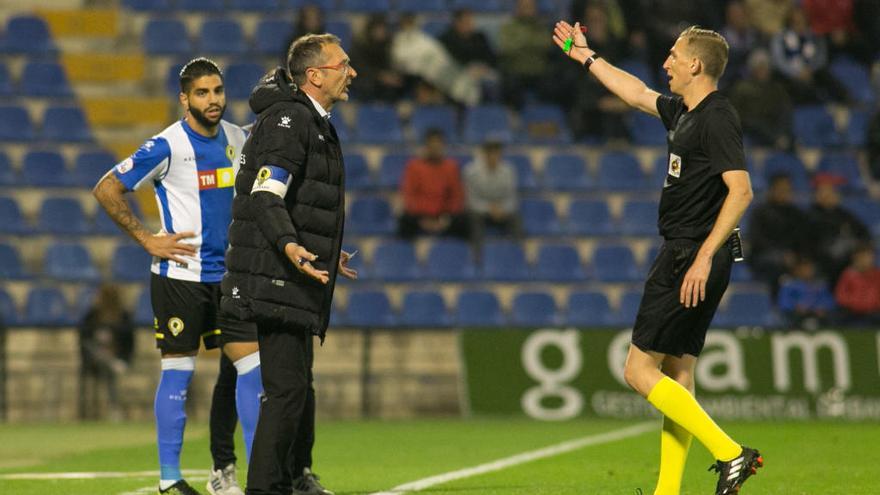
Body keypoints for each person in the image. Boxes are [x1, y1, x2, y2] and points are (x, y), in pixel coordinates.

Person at [554, 21, 762, 495]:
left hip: (690, 255)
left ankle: (730, 453)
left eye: (673, 55)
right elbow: (635, 92)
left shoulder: (716, 116)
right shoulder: (685, 111)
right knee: (678, 375)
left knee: (637, 371)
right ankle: (668, 490)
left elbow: (741, 190)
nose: (665, 62)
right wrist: (586, 57)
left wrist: (703, 256)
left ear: (695, 63)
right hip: (696, 254)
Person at [92, 58, 257, 495]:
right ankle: (170, 479)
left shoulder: (239, 139)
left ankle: (261, 478)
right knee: (179, 373)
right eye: (202, 93)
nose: (213, 100)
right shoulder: (166, 145)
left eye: (218, 91)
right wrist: (146, 238)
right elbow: (107, 187)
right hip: (179, 278)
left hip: (230, 278)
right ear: (184, 99)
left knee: (252, 369)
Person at [219, 33, 358, 495]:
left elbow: (299, 201)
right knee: (286, 392)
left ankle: (277, 484)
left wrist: (320, 246)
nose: (351, 73)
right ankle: (266, 488)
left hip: (288, 272)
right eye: (343, 65)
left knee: (293, 389)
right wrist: (288, 244)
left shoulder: (311, 120)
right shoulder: (289, 118)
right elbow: (266, 192)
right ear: (315, 75)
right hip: (275, 276)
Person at [746, 174, 812, 299]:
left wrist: (802, 259)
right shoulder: (760, 212)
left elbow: (803, 239)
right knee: (777, 267)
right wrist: (781, 255)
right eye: (781, 189)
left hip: (792, 257)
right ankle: (779, 305)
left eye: (787, 190)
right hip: (763, 256)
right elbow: (756, 239)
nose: (784, 193)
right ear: (772, 190)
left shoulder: (796, 214)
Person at [398, 128, 470, 240]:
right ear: (426, 146)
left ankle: (458, 255)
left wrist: (444, 219)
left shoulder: (451, 167)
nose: (435, 148)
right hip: (420, 215)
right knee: (404, 220)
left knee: (464, 221)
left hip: (444, 215)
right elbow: (409, 195)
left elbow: (457, 196)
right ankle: (405, 255)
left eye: (438, 144)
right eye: (432, 145)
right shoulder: (414, 166)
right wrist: (424, 219)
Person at [78, 284, 135, 421]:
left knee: (110, 370)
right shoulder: (92, 315)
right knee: (98, 355)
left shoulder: (123, 316)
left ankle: (114, 408)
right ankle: (112, 407)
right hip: (94, 361)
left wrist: (124, 360)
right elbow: (83, 339)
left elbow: (130, 343)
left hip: (117, 360)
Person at [806, 174, 871, 284]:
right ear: (816, 195)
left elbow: (864, 232)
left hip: (848, 258)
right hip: (824, 260)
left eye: (830, 191)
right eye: (823, 191)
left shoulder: (844, 214)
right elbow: (810, 241)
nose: (827, 195)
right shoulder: (811, 215)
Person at [728, 49, 793, 150]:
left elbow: (786, 111)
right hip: (750, 132)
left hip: (774, 129)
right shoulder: (741, 88)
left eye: (765, 67)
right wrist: (773, 136)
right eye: (759, 68)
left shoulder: (777, 89)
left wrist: (781, 134)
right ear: (752, 69)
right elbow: (739, 117)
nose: (763, 71)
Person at [463, 139, 520, 247]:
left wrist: (502, 209)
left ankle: (516, 254)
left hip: (502, 210)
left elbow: (512, 198)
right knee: (472, 218)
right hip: (480, 211)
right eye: (490, 153)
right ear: (484, 154)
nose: (494, 157)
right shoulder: (471, 171)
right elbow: (470, 200)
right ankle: (477, 256)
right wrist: (489, 208)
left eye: (497, 154)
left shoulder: (509, 171)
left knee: (516, 218)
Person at [777, 256, 836, 329]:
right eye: (804, 269)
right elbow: (783, 303)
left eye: (810, 268)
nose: (808, 271)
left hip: (817, 315)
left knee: (832, 317)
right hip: (796, 316)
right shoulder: (789, 285)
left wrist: (822, 307)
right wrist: (795, 307)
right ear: (797, 270)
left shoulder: (820, 285)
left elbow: (830, 301)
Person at [834, 243, 880, 326]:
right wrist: (856, 304)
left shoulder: (877, 275)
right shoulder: (848, 274)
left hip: (874, 313)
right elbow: (840, 296)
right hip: (852, 313)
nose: (865, 259)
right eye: (862, 256)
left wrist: (872, 305)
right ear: (855, 257)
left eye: (868, 256)